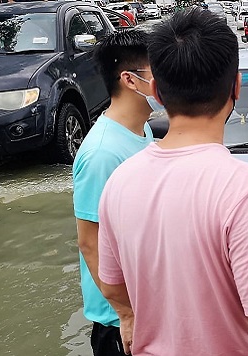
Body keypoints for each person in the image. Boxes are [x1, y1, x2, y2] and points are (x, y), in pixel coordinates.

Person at [97, 9, 248, 355]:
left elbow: (111, 286)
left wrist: (132, 317)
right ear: (237, 87)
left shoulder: (119, 181)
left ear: (156, 92)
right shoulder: (245, 190)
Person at [72, 29, 155, 356]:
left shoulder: (141, 127)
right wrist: (126, 313)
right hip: (119, 321)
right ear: (131, 80)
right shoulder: (103, 154)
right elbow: (89, 242)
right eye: (157, 72)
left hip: (143, 306)